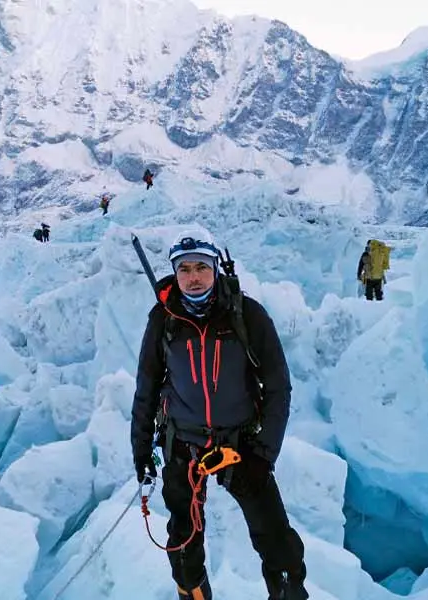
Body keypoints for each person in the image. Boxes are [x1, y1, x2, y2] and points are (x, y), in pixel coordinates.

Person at [131, 231, 308, 600]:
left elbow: (278, 387)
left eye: (200, 267)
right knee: (183, 543)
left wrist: (264, 453)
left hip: (241, 445)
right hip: (182, 445)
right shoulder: (163, 320)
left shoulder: (247, 314)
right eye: (184, 269)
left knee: (277, 541)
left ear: (215, 270)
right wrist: (142, 453)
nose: (193, 277)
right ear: (175, 274)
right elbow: (146, 391)